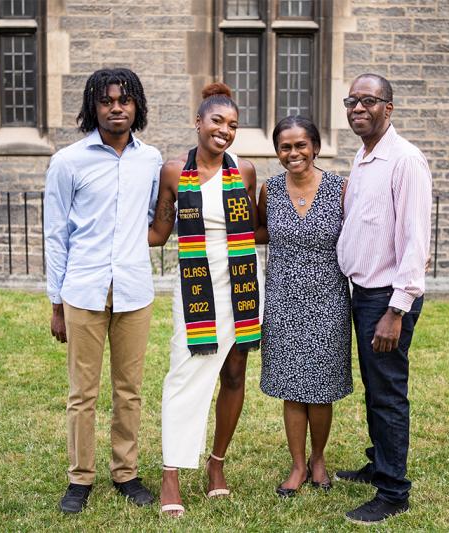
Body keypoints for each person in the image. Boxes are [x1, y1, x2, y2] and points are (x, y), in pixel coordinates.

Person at [44, 68, 162, 514]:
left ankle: (126, 473)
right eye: (108, 101)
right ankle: (80, 479)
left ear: (137, 107)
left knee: (129, 390)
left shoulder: (149, 160)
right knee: (83, 393)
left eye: (125, 100)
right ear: (93, 106)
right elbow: (55, 234)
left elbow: (155, 218)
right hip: (84, 290)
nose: (117, 108)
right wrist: (56, 303)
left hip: (134, 290)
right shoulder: (68, 162)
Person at [149, 82, 263, 518]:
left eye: (233, 124)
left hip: (243, 284)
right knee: (184, 374)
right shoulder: (174, 172)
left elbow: (255, 230)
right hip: (197, 285)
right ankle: (171, 473)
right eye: (217, 121)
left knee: (235, 374)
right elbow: (160, 232)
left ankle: (217, 466)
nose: (225, 130)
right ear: (198, 122)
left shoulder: (246, 172)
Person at [335, 73, 432, 524]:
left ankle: (393, 491)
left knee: (388, 393)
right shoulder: (363, 155)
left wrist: (396, 309)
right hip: (363, 292)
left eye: (368, 100)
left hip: (386, 298)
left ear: (388, 108)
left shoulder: (405, 160)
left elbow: (415, 242)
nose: (358, 107)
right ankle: (379, 463)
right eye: (352, 100)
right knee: (375, 389)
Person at [255, 116, 352, 497]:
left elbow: (361, 234)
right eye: (285, 147)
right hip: (283, 299)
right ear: (277, 151)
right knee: (291, 388)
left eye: (300, 145)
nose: (293, 153)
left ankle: (318, 459)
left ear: (315, 147)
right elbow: (259, 230)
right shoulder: (270, 190)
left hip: (328, 300)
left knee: (321, 388)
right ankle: (297, 464)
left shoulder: (340, 189)